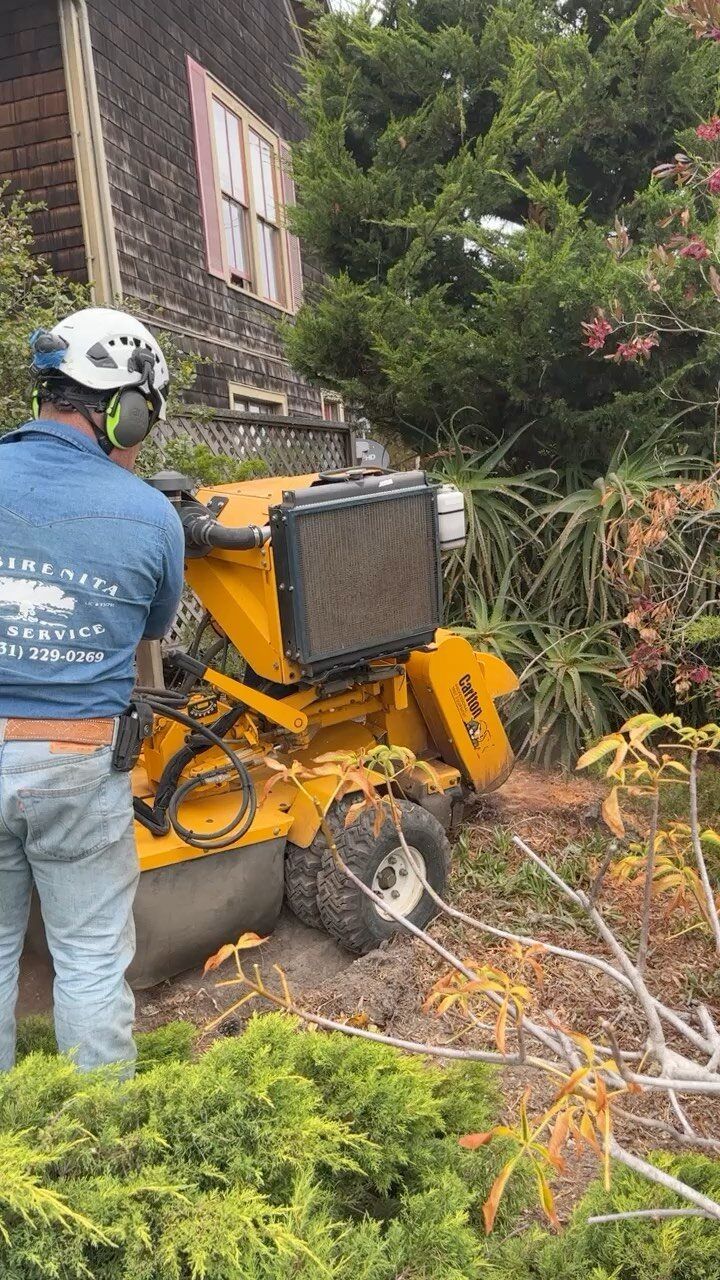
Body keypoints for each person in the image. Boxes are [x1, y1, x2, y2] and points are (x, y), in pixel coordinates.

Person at [0, 308, 184, 1074]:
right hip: (76, 762)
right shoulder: (150, 515)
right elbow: (152, 626)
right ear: (125, 409)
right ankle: (97, 1154)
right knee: (87, 962)